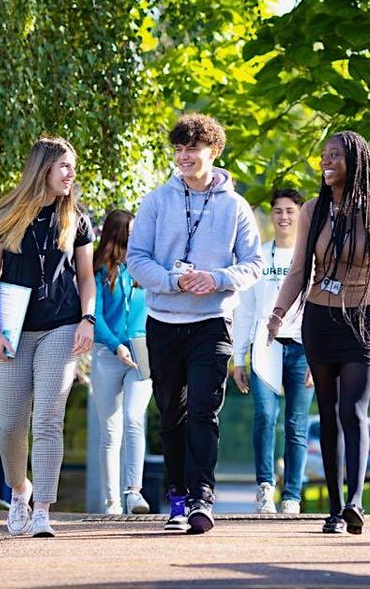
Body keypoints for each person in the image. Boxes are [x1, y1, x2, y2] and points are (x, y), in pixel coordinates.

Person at [126, 113, 263, 534]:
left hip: (213, 322)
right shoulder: (156, 201)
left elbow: (254, 263)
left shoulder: (235, 206)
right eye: (179, 149)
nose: (184, 157)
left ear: (213, 151)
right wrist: (172, 280)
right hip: (163, 321)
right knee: (171, 413)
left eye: (193, 149)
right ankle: (178, 498)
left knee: (205, 409)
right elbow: (136, 259)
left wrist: (218, 278)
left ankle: (202, 496)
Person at [269, 131, 370, 536]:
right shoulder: (313, 210)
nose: (326, 161)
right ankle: (333, 508)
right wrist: (278, 314)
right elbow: (298, 271)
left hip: (362, 319)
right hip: (319, 319)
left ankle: (355, 502)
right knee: (327, 413)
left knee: (354, 410)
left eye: (335, 155)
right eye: (323, 156)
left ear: (355, 161)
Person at [0, 137, 96, 538]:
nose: (71, 173)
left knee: (48, 419)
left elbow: (86, 278)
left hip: (61, 328)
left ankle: (44, 508)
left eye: (73, 166)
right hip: (12, 331)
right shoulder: (4, 216)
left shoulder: (76, 220)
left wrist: (87, 319)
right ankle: (19, 490)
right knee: (10, 425)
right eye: (64, 165)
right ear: (42, 168)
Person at [232, 188, 313, 515]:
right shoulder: (260, 259)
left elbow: (319, 311)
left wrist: (319, 358)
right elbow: (245, 311)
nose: (283, 217)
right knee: (266, 416)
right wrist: (239, 357)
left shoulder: (310, 260)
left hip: (304, 350)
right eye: (278, 211)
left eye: (290, 211)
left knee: (296, 424)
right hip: (265, 348)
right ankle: (265, 487)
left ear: (300, 215)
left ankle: (292, 494)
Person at [91, 209, 153, 515]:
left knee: (133, 419)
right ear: (117, 232)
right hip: (107, 355)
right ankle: (111, 500)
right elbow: (95, 316)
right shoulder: (99, 269)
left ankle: (133, 492)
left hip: (141, 353)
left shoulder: (144, 267)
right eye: (131, 229)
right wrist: (116, 346)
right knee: (111, 430)